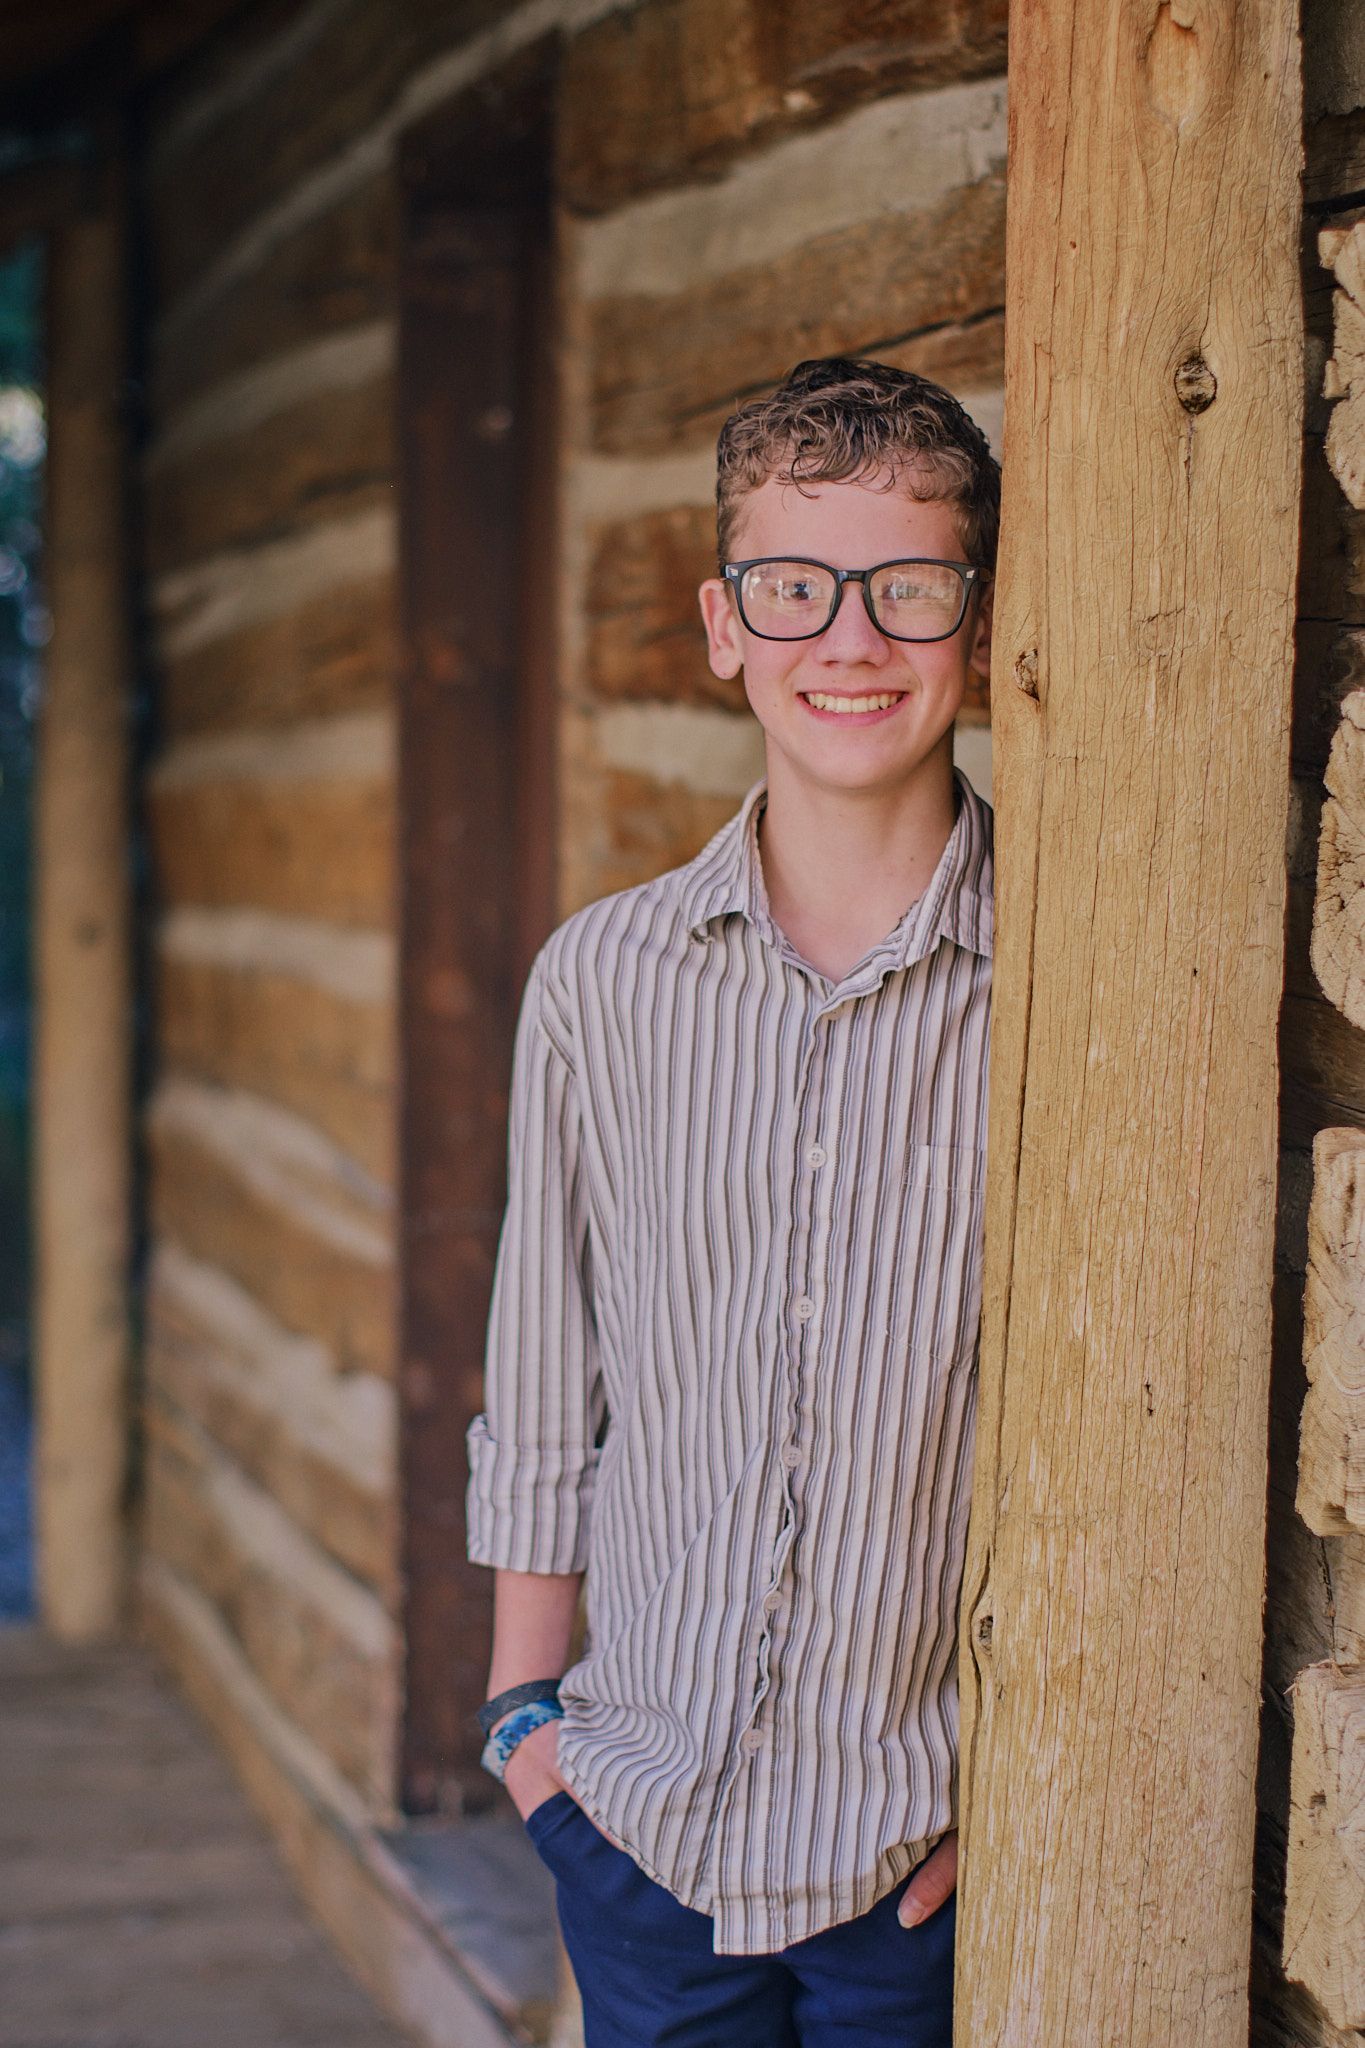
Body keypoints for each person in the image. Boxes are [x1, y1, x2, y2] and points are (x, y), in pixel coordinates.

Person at [465, 355, 997, 2048]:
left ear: (976, 625)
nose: (849, 642)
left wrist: (1024, 1789)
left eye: (907, 590)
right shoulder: (601, 980)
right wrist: (523, 1732)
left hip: (919, 1857)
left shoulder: (1066, 978)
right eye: (794, 589)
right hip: (635, 1827)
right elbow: (548, 1368)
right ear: (722, 624)